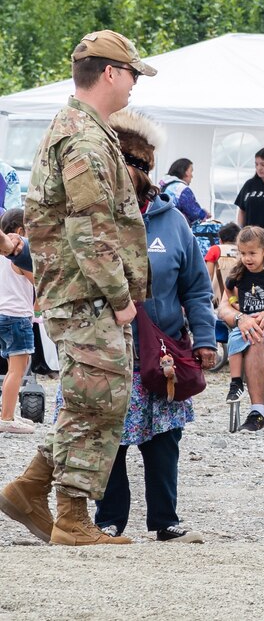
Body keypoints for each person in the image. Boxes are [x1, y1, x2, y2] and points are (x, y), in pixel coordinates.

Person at [0, 29, 155, 546]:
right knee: (97, 401)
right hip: (87, 294)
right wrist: (119, 298)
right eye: (132, 73)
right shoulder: (84, 138)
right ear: (110, 73)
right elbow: (88, 230)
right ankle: (69, 516)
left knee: (96, 399)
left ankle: (32, 488)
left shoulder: (89, 129)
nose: (135, 84)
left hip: (83, 292)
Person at [80, 111, 216, 542]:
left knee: (164, 440)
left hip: (163, 352)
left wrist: (206, 340)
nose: (129, 175)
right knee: (111, 439)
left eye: (136, 167)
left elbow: (196, 288)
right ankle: (108, 521)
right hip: (107, 349)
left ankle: (165, 520)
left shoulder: (173, 222)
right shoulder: (93, 221)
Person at [222, 225, 264, 432]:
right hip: (249, 324)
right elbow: (224, 304)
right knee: (248, 334)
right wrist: (238, 312)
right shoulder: (239, 273)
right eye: (243, 253)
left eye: (252, 253)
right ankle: (237, 385)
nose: (247, 258)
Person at [0, 209, 35, 434]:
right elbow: (39, 283)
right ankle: (7, 417)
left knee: (12, 368)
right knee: (17, 369)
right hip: (17, 316)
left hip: (3, 314)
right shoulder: (19, 256)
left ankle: (8, 412)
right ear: (20, 231)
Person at [235, 147, 264, 229]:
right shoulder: (249, 184)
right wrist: (240, 230)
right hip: (249, 236)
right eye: (256, 164)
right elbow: (242, 211)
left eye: (263, 164)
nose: (259, 168)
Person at [159, 158, 210, 225]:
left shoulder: (164, 187)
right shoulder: (181, 189)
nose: (192, 176)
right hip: (176, 229)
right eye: (191, 171)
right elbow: (194, 213)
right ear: (185, 171)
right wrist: (204, 214)